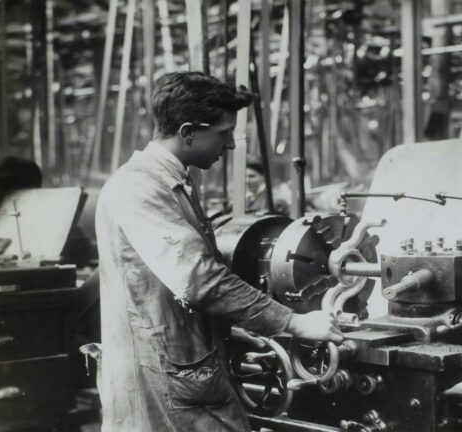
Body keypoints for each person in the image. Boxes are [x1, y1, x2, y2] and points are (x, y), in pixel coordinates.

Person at [95, 71, 342, 431]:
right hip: (163, 378)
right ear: (188, 132)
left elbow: (163, 290)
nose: (229, 146)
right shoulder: (139, 189)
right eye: (224, 133)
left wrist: (221, 330)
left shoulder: (172, 182)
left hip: (178, 362)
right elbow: (198, 279)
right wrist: (295, 322)